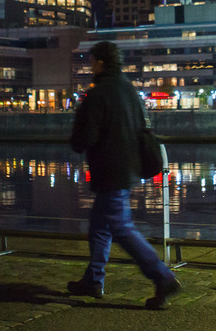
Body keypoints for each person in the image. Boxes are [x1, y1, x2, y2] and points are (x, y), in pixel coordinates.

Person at [67, 41, 182, 309]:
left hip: (109, 170)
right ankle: (93, 280)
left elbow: (85, 137)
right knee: (100, 224)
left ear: (101, 63)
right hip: (128, 168)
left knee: (120, 228)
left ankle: (163, 277)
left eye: (92, 60)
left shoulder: (99, 93)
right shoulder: (128, 89)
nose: (89, 65)